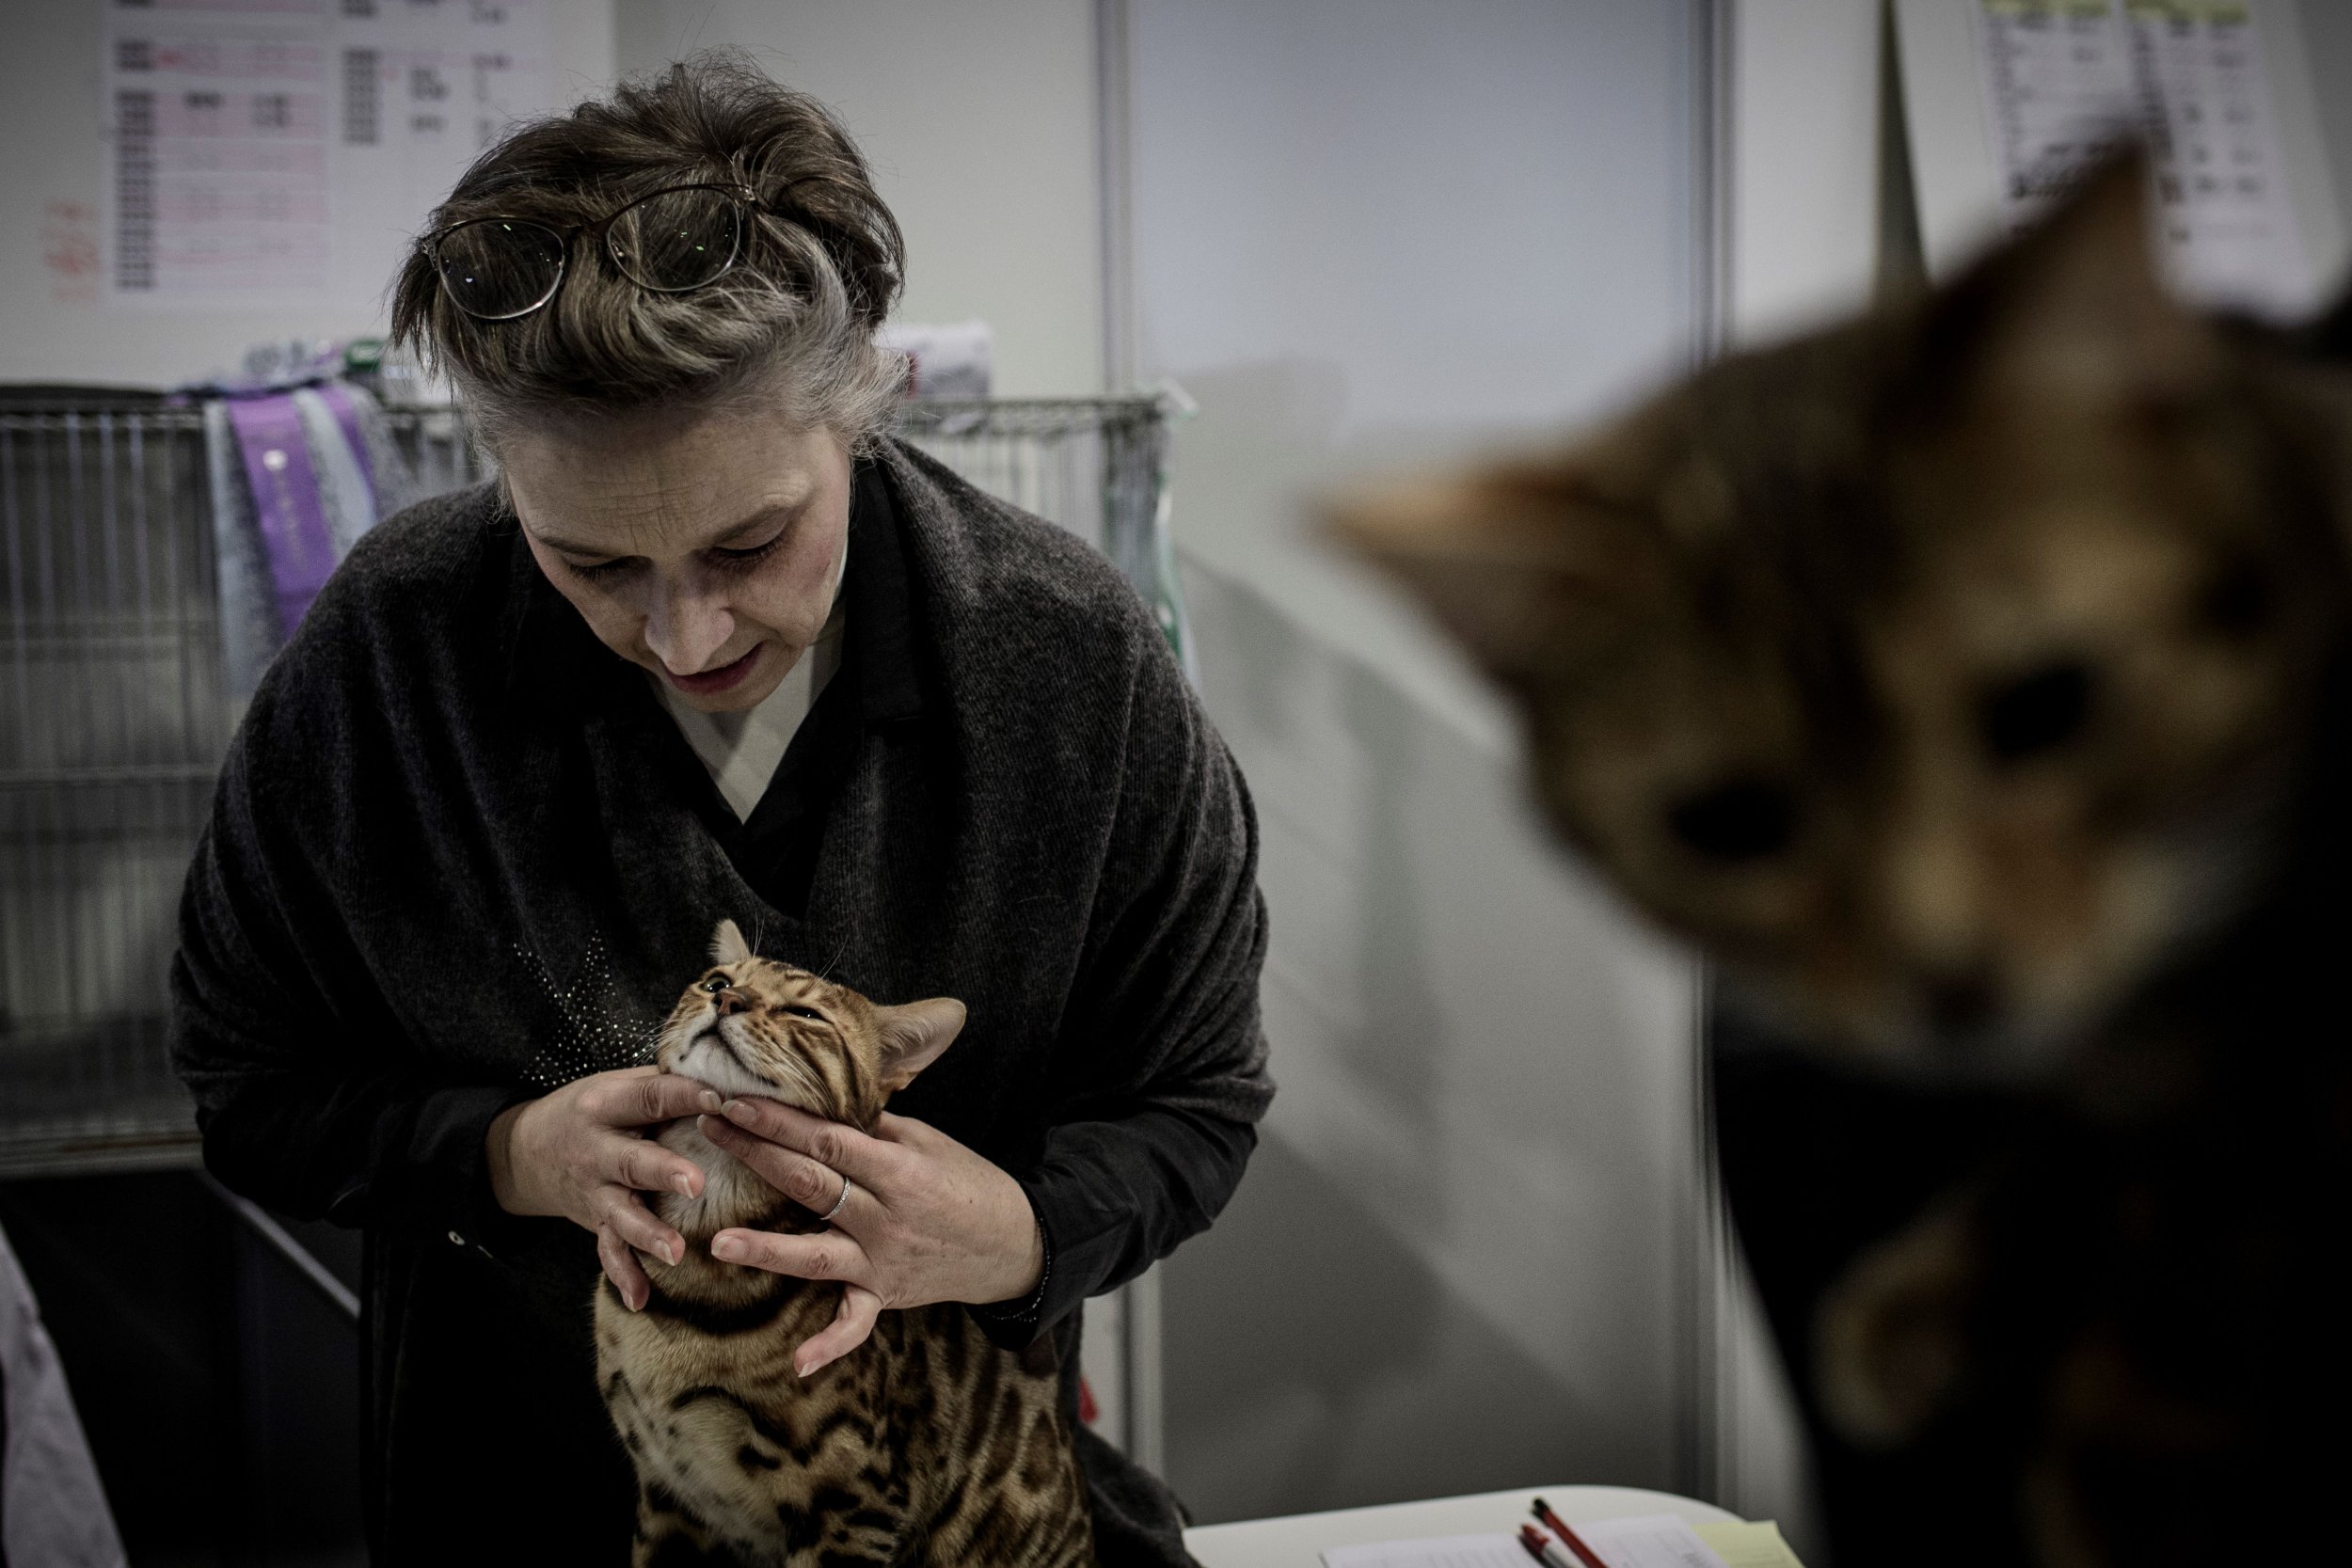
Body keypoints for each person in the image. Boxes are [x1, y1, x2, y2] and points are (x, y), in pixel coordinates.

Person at [169, 57, 1271, 1566]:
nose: (685, 641)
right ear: (495, 468)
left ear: (868, 403)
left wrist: (1014, 1233)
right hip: (527, 1507)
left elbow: (1197, 1100)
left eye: (754, 542)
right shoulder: (391, 658)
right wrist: (501, 1158)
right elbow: (247, 1081)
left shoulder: (1066, 663)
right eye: (594, 568)